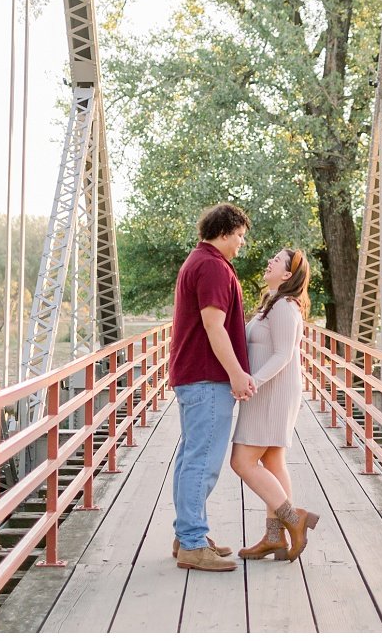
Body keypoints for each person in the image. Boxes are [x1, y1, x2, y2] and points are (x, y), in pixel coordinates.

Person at [169, 203, 255, 572]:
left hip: (195, 376)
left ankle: (188, 534)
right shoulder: (214, 267)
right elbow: (213, 326)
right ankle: (191, 542)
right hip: (207, 377)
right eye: (239, 237)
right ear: (226, 230)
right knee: (202, 462)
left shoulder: (198, 261)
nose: (240, 245)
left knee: (191, 458)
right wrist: (236, 373)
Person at [228, 247, 320, 563]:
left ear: (287, 275)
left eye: (278, 260)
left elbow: (283, 354)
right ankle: (273, 538)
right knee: (274, 463)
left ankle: (294, 520)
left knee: (241, 461)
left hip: (271, 393)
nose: (270, 260)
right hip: (272, 391)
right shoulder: (274, 304)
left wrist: (252, 382)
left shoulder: (283, 307)